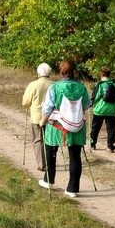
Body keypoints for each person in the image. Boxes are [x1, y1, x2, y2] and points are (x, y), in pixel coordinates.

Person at [39, 60, 90, 198]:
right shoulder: (82, 87)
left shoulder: (55, 87)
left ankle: (48, 180)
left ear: (61, 72)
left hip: (57, 125)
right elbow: (86, 105)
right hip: (77, 125)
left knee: (50, 150)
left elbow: (48, 107)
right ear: (74, 71)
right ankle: (72, 188)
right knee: (75, 156)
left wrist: (42, 121)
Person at [21, 63, 53, 171]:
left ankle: (41, 164)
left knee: (38, 140)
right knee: (50, 140)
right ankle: (50, 162)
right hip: (52, 117)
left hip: (37, 117)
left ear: (38, 72)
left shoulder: (33, 85)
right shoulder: (54, 85)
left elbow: (25, 102)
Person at [90, 67, 115, 152]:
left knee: (95, 128)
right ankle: (110, 146)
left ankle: (93, 144)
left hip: (99, 110)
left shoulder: (100, 84)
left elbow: (95, 97)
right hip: (112, 111)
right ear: (109, 74)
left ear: (101, 74)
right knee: (111, 129)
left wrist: (92, 104)